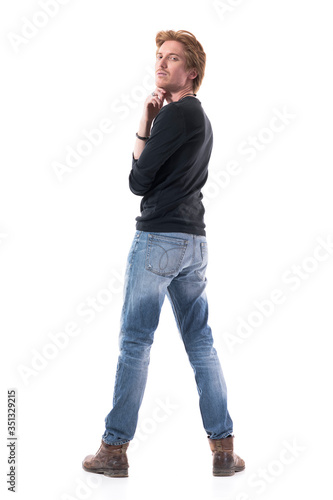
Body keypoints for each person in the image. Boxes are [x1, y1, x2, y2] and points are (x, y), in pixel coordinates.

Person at [82, 29, 245, 478]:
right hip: (194, 242)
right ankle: (224, 450)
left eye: (172, 59)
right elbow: (153, 176)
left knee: (135, 342)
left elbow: (137, 183)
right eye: (159, 56)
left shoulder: (175, 116)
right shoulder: (200, 118)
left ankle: (114, 451)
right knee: (201, 343)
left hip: (158, 240)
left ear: (191, 73)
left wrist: (146, 124)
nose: (161, 63)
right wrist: (148, 117)